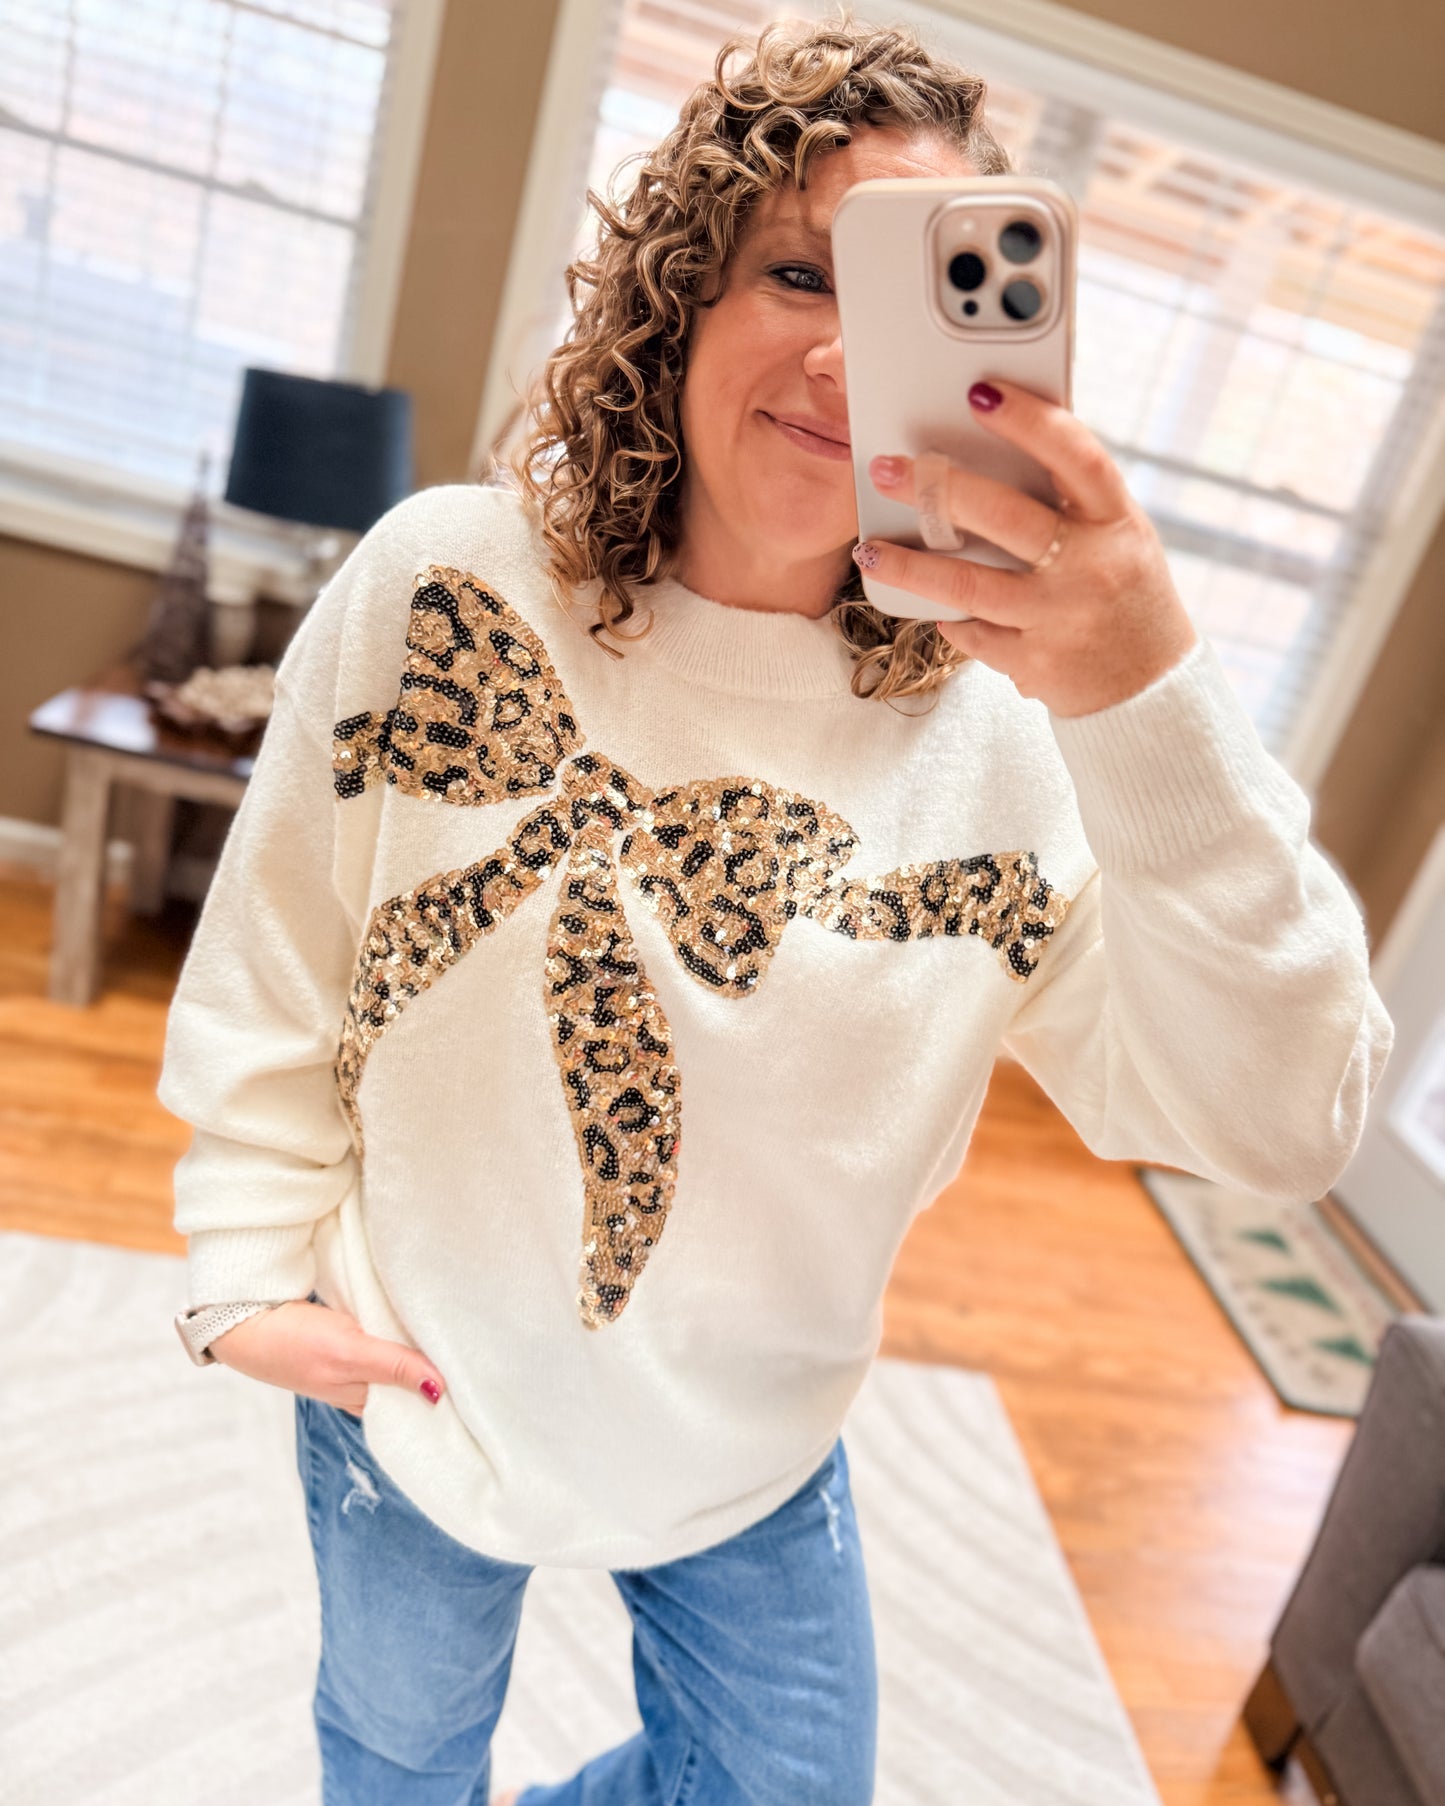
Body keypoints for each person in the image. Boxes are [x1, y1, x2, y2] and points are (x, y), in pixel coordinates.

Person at [158, 14, 1394, 1806]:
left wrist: (1151, 696)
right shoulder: (444, 578)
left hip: (752, 1440)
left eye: (911, 305)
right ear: (678, 298)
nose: (836, 354)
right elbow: (285, 934)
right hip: (415, 1386)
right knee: (401, 1751)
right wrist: (239, 1272)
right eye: (794, 270)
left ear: (998, 366)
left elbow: (1287, 1123)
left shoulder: (1020, 742)